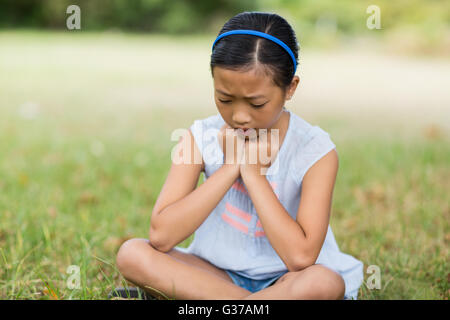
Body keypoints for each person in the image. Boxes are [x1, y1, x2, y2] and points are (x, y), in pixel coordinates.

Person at [113, 11, 364, 300]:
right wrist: (230, 167)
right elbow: (161, 235)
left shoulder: (315, 150)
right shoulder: (199, 137)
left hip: (287, 281)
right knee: (133, 254)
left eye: (257, 103)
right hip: (214, 273)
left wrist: (253, 173)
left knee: (323, 284)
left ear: (290, 88)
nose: (240, 116)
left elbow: (300, 258)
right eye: (225, 99)